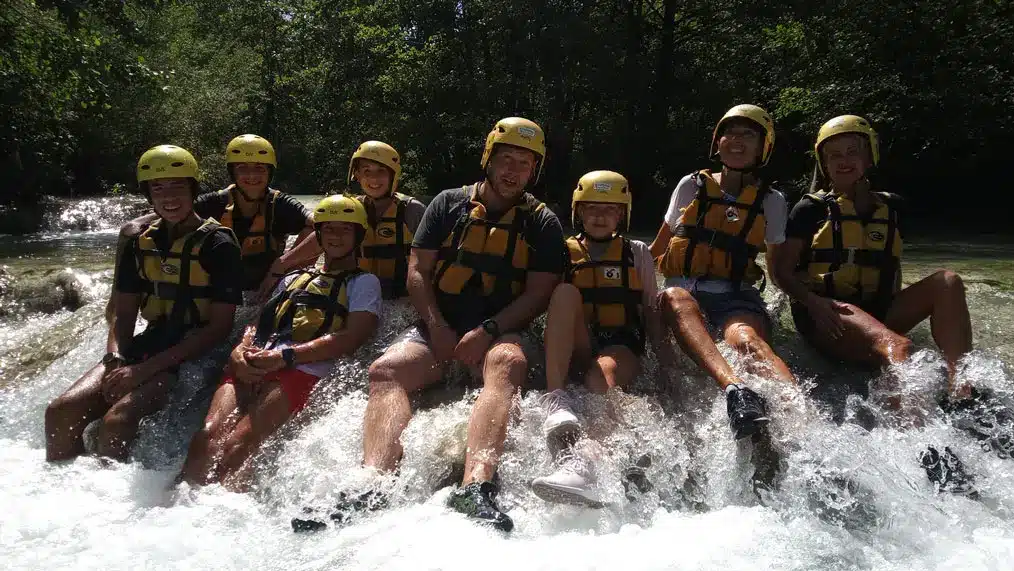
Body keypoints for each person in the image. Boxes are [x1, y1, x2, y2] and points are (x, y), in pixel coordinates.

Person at [292, 117, 564, 533]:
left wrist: (487, 331)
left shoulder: (542, 222)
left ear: (535, 171)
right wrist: (437, 325)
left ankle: (476, 486)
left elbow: (539, 294)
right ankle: (373, 483)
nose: (512, 171)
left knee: (507, 362)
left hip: (501, 331)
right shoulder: (447, 204)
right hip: (442, 326)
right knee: (385, 371)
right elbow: (417, 270)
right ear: (489, 159)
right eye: (506, 159)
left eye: (524, 164)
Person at [772, 115, 986, 495]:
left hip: (879, 309)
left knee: (948, 281)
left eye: (852, 151)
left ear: (870, 156)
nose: (843, 160)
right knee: (899, 348)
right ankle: (924, 449)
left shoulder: (894, 208)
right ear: (823, 164)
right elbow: (782, 273)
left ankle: (960, 385)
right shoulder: (809, 211)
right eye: (834, 155)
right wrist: (812, 303)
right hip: (831, 316)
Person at [45, 145, 243, 462]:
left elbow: (220, 327)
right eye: (158, 187)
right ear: (148, 194)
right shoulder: (139, 241)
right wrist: (115, 359)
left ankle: (109, 502)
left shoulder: (220, 243)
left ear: (193, 189)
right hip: (151, 340)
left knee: (117, 420)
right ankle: (60, 494)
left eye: (178, 185)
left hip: (197, 351)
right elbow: (123, 314)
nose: (169, 196)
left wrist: (144, 370)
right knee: (60, 412)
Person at [179, 195, 381, 490]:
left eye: (345, 229)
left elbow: (351, 338)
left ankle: (218, 517)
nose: (335, 236)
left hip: (302, 369)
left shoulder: (364, 283)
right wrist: (239, 350)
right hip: (258, 358)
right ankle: (174, 511)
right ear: (319, 234)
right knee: (206, 437)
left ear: (359, 235)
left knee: (239, 443)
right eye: (329, 229)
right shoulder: (294, 277)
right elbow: (259, 322)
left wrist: (285, 357)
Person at [649, 104, 796, 441]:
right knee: (673, 297)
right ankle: (736, 390)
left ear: (764, 147)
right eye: (731, 133)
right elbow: (658, 248)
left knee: (746, 340)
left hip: (735, 296)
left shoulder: (771, 201)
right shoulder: (691, 186)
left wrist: (813, 302)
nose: (737, 141)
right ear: (718, 142)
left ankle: (801, 416)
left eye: (748, 135)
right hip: (684, 294)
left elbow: (778, 271)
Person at [529, 170, 665, 507]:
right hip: (580, 343)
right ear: (578, 212)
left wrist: (667, 366)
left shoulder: (638, 253)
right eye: (591, 208)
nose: (600, 216)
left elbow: (650, 310)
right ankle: (556, 398)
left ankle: (585, 466)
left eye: (610, 209)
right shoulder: (563, 251)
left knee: (598, 375)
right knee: (563, 292)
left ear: (623, 214)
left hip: (622, 345)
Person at [198, 134, 321, 297]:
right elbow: (173, 217)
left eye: (259, 168)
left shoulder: (280, 203)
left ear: (270, 173)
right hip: (220, 285)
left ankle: (277, 295)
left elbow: (326, 226)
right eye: (243, 168)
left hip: (267, 284)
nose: (251, 176)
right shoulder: (214, 202)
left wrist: (280, 265)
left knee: (313, 231)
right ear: (232, 173)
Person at [348, 140, 427, 299]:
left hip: (402, 296)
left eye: (381, 171)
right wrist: (284, 263)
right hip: (360, 294)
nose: (374, 179)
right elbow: (319, 240)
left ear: (393, 175)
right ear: (357, 175)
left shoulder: (412, 210)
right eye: (367, 171)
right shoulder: (350, 209)